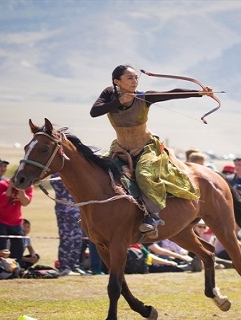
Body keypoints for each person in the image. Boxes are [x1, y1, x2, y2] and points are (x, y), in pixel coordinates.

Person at [90, 64, 210, 234]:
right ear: (117, 81)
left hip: (146, 148)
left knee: (144, 174)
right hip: (121, 148)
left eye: (136, 78)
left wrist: (199, 93)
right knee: (102, 173)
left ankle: (152, 215)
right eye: (130, 78)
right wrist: (118, 102)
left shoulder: (143, 97)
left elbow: (170, 94)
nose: (135, 81)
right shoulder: (109, 94)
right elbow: (94, 112)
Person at [0, 178, 33, 265]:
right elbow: (2, 202)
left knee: (19, 246)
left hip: (16, 221)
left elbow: (25, 202)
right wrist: (10, 187)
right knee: (0, 246)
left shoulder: (28, 186)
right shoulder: (2, 184)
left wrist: (21, 189)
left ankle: (16, 267)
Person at [50, 175, 86, 276]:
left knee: (78, 238)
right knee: (67, 238)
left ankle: (74, 265)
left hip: (77, 210)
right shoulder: (58, 174)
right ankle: (64, 267)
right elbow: (57, 185)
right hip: (65, 210)